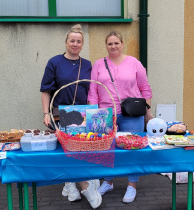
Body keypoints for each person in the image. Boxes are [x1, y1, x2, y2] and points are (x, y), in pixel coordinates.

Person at [40, 24, 102, 209]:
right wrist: (46, 113)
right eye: (72, 40)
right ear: (66, 42)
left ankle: (70, 184)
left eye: (79, 41)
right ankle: (83, 185)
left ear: (82, 44)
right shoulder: (54, 62)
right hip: (62, 114)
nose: (75, 44)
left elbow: (92, 89)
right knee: (71, 151)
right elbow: (45, 90)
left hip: (83, 114)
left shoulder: (88, 64)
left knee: (82, 151)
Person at [87, 31, 153, 203]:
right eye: (110, 43)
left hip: (131, 114)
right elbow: (93, 90)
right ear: (106, 46)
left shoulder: (134, 63)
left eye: (116, 43)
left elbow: (145, 88)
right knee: (106, 150)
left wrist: (148, 111)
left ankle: (132, 185)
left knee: (133, 149)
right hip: (104, 114)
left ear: (122, 44)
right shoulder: (99, 64)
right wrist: (94, 112)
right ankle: (108, 181)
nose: (113, 46)